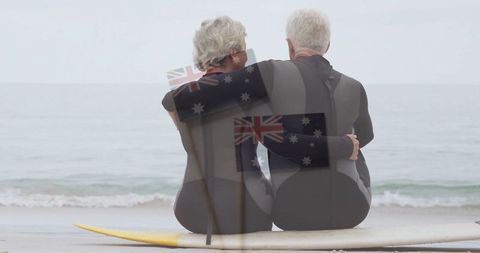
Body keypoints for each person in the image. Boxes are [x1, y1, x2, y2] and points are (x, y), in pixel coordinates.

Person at [170, 9, 373, 231]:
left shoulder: (264, 75)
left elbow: (179, 99)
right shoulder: (355, 87)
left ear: (290, 44)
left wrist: (175, 99)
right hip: (345, 210)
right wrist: (344, 145)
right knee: (354, 141)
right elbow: (280, 141)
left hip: (190, 210)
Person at [162, 17, 273, 242]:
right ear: (233, 53)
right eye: (243, 50)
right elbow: (273, 143)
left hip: (190, 210)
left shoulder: (174, 100)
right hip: (245, 212)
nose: (246, 56)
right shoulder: (252, 94)